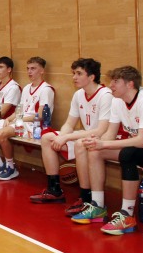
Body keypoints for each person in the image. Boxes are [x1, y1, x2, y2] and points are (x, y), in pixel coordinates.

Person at [73, 66, 143, 235]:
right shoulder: (117, 101)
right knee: (95, 151)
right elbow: (110, 134)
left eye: (116, 81)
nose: (111, 85)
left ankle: (127, 215)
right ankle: (97, 206)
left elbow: (142, 141)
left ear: (130, 84)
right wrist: (97, 143)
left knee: (128, 154)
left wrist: (104, 144)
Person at [30, 58, 112, 208]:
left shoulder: (105, 95)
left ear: (91, 77)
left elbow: (101, 130)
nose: (74, 77)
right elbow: (69, 123)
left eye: (79, 73)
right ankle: (54, 190)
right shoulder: (79, 94)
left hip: (102, 139)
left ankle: (86, 197)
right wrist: (61, 137)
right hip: (85, 136)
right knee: (47, 138)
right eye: (74, 73)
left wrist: (67, 137)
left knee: (80, 144)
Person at [0, 57, 54, 180]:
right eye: (28, 68)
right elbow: (19, 110)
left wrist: (18, 120)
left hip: (34, 126)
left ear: (42, 71)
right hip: (20, 121)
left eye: (33, 69)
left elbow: (41, 116)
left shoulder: (46, 89)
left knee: (2, 134)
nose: (29, 71)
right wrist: (9, 119)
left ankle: (11, 168)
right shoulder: (27, 88)